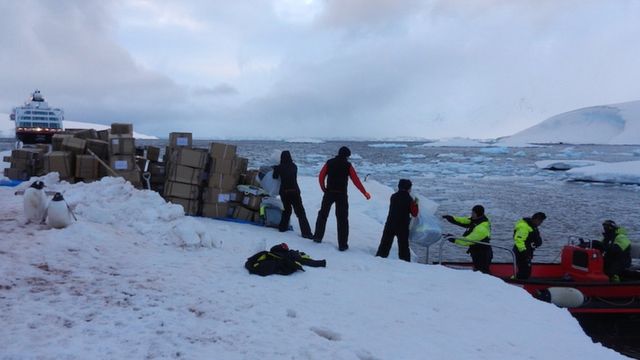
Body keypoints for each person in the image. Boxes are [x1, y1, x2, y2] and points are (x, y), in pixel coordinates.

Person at [313, 146, 371, 251]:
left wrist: (323, 188)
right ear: (347, 156)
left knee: (322, 215)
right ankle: (342, 245)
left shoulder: (329, 162)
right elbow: (356, 180)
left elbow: (321, 176)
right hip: (341, 195)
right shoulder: (348, 165)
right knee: (342, 219)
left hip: (329, 193)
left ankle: (317, 237)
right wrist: (364, 192)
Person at [375, 179, 419, 262]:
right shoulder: (410, 199)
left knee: (385, 244)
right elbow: (414, 213)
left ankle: (379, 260)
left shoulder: (393, 196)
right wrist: (416, 202)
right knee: (403, 247)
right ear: (409, 188)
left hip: (390, 223)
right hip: (403, 225)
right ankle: (405, 263)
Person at [272, 151, 313, 239]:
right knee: (300, 213)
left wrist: (275, 168)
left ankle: (282, 227)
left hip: (284, 192)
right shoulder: (294, 166)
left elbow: (275, 177)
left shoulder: (280, 167)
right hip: (295, 191)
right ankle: (306, 233)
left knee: (287, 210)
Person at [442, 205, 492, 273]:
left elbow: (467, 240)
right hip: (476, 251)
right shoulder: (476, 220)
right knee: (478, 269)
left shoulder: (481, 228)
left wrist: (453, 239)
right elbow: (463, 220)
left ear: (478, 214)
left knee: (482, 272)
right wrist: (451, 218)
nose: (471, 214)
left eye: (473, 213)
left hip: (482, 254)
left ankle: (489, 282)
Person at [513, 212, 547, 279]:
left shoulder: (533, 227)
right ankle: (516, 282)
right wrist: (524, 252)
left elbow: (535, 239)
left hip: (528, 251)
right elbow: (519, 240)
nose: (540, 223)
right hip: (521, 252)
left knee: (526, 271)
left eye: (542, 222)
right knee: (524, 271)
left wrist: (537, 243)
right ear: (535, 219)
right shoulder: (524, 226)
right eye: (540, 221)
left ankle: (519, 280)